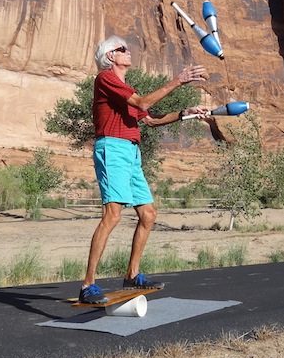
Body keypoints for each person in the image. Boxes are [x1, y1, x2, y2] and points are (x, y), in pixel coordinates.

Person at [79, 35, 208, 304]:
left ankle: (132, 274)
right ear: (110, 57)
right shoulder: (105, 78)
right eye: (121, 49)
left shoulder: (126, 89)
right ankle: (88, 284)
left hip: (131, 152)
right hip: (112, 148)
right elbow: (143, 104)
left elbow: (149, 119)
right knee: (112, 215)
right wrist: (179, 80)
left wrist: (186, 113)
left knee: (148, 214)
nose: (128, 52)